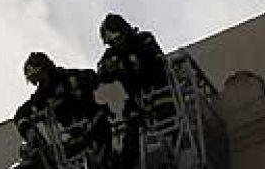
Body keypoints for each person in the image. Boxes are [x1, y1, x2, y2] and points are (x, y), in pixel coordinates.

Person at [96, 14, 176, 166]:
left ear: (124, 31)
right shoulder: (110, 55)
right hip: (134, 104)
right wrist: (108, 70)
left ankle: (169, 154)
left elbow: (155, 63)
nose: (115, 44)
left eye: (117, 38)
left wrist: (127, 65)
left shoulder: (144, 39)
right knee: (130, 141)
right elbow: (101, 78)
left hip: (160, 93)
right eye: (111, 42)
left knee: (167, 126)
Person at [12, 52, 113, 169]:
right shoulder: (41, 96)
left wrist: (74, 91)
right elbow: (21, 113)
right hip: (65, 139)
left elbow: (92, 77)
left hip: (94, 130)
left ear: (46, 69)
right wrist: (28, 130)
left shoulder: (68, 77)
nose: (38, 81)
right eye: (35, 78)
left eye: (39, 75)